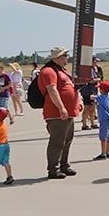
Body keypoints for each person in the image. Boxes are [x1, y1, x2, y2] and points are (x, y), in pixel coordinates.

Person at [39, 46, 81, 179]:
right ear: (57, 58)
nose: (67, 58)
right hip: (56, 113)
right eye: (64, 56)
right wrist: (61, 107)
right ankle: (53, 169)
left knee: (67, 140)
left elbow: (72, 87)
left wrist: (77, 101)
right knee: (57, 141)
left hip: (68, 113)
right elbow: (52, 90)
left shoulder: (63, 70)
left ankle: (64, 165)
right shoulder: (48, 71)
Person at [94, 81, 109, 160]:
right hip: (108, 118)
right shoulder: (108, 97)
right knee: (107, 136)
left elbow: (92, 97)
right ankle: (107, 152)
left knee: (103, 137)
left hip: (104, 119)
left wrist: (93, 96)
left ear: (102, 90)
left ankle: (103, 153)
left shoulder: (101, 97)